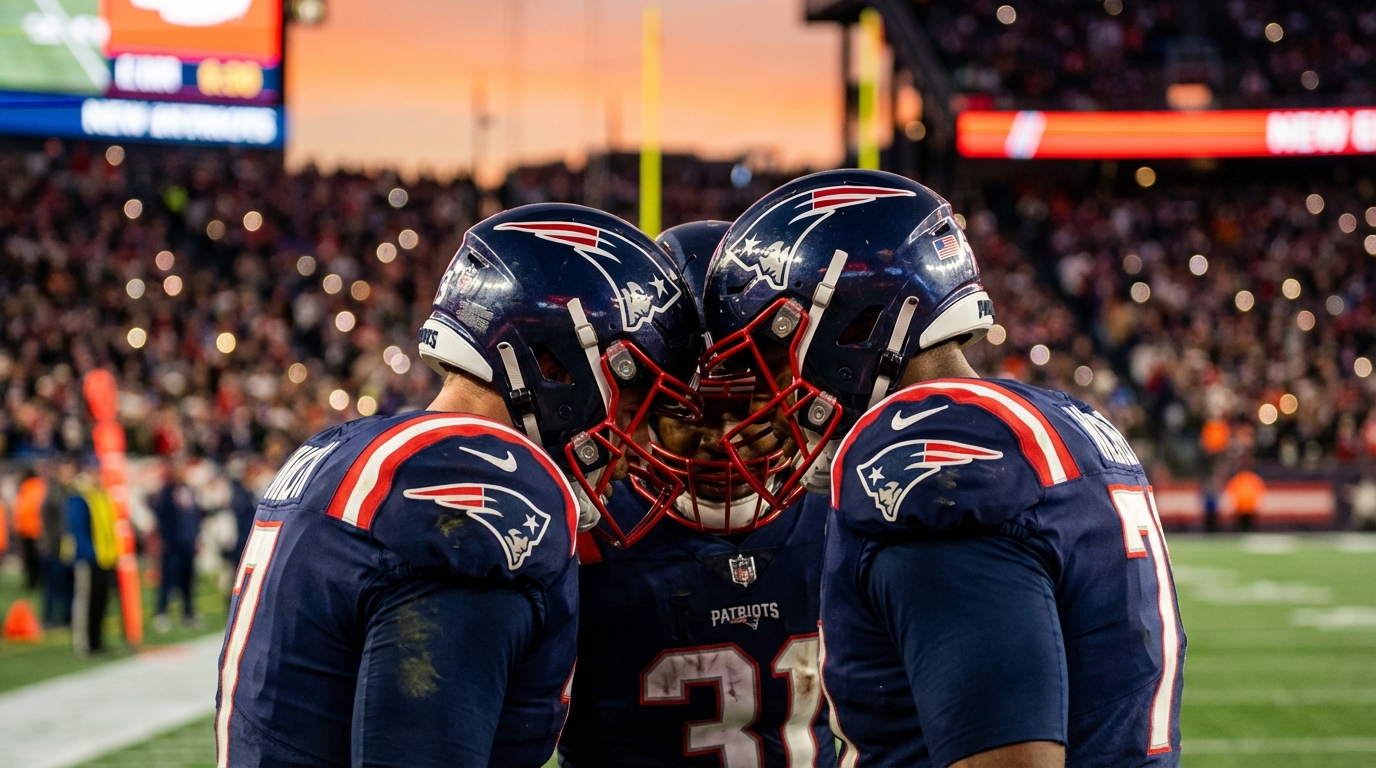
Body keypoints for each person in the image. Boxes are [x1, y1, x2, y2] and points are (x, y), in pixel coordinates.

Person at [698, 170, 1186, 767]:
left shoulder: (931, 452)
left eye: (774, 357)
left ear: (852, 330)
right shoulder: (1064, 417)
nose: (764, 399)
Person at [214, 204, 702, 768]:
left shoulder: (338, 445)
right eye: (635, 397)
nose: (636, 436)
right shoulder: (479, 478)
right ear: (555, 367)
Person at [560, 221, 837, 767]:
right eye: (688, 410)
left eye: (749, 399)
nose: (724, 438)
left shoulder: (846, 505)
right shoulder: (579, 531)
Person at [67, 470, 119, 656]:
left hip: (104, 558)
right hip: (88, 559)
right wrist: (91, 554)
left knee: (100, 602)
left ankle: (97, 641)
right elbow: (78, 529)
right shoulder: (81, 498)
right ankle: (85, 644)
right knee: (86, 602)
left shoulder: (101, 496)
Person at [152, 460, 203, 631]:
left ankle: (188, 613)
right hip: (172, 544)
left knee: (188, 580)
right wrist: (165, 539)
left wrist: (196, 537)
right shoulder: (166, 492)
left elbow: (196, 517)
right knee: (167, 579)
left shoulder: (189, 491)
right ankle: (161, 613)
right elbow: (161, 515)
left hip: (188, 543)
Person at [40, 458, 76, 628]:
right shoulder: (54, 493)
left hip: (67, 547)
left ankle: (67, 618)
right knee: (53, 587)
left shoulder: (71, 493)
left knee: (69, 586)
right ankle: (50, 619)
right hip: (54, 548)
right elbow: (51, 525)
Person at [15, 469, 46, 590]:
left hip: (33, 530)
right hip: (28, 529)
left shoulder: (35, 488)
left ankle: (35, 582)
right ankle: (32, 581)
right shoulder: (29, 487)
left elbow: (32, 510)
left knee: (34, 558)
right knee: (31, 559)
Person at [1223, 460, 1266, 532]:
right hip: (1240, 507)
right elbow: (1231, 492)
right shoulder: (1238, 479)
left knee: (1249, 526)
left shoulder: (1253, 478)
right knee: (1241, 526)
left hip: (1250, 507)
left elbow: (1260, 492)